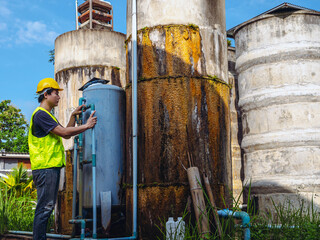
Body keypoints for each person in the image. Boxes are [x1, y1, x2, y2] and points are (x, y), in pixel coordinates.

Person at [28, 78, 97, 240]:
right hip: (46, 167)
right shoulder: (41, 115)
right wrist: (87, 126)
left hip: (48, 167)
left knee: (46, 207)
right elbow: (65, 133)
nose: (59, 97)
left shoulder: (46, 115)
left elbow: (65, 130)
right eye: (56, 93)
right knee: (45, 208)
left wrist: (73, 115)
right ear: (46, 94)